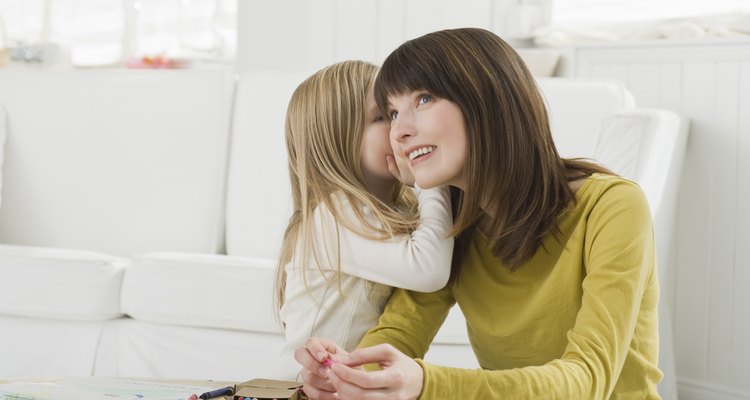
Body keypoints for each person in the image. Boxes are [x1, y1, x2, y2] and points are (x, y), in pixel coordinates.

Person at [294, 28, 662, 399]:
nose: (399, 131)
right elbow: (400, 332)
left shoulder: (613, 207)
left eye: (423, 99)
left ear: (488, 100)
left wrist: (425, 384)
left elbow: (587, 379)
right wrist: (346, 375)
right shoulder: (457, 224)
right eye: (391, 113)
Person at [275, 60, 454, 380]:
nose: (403, 126)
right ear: (339, 142)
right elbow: (429, 270)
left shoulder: (394, 207)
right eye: (385, 116)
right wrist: (430, 178)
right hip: (314, 388)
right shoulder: (335, 216)